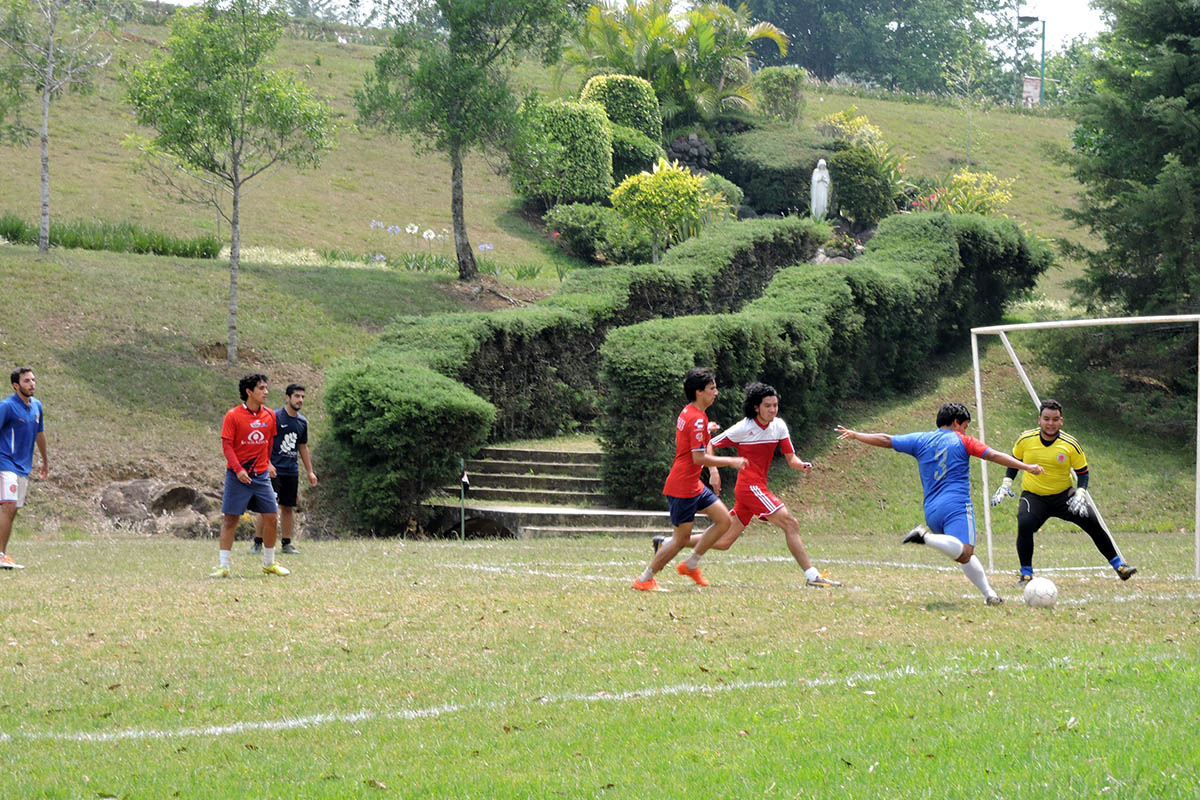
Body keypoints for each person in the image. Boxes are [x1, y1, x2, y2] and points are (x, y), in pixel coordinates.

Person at [835, 402, 1044, 605]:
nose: (964, 431)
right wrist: (1026, 466)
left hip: (932, 509)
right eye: (965, 426)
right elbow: (994, 455)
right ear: (956, 422)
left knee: (963, 555)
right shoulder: (964, 441)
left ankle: (990, 594)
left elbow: (886, 439)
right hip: (956, 505)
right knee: (966, 550)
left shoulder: (920, 439)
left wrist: (856, 435)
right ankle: (925, 538)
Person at [652, 382, 841, 588]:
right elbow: (710, 444)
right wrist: (714, 472)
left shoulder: (779, 426)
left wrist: (802, 465)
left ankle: (669, 544)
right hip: (750, 487)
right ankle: (813, 577)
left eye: (775, 405)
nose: (772, 410)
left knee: (724, 542)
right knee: (790, 523)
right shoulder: (744, 427)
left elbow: (791, 458)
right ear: (756, 407)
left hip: (757, 487)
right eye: (767, 406)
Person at [991, 398, 1137, 584]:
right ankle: (1026, 574)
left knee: (1092, 521)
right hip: (1034, 496)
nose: (1050, 423)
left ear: (1061, 421)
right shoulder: (1025, 439)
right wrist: (1006, 484)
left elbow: (1082, 473)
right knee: (1025, 523)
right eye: (1046, 419)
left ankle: (1120, 567)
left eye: (1055, 419)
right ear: (1039, 419)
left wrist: (1081, 493)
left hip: (1063, 496)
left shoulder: (1070, 444)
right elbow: (1014, 462)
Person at [633, 367, 747, 592]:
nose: (716, 392)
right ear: (698, 392)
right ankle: (644, 579)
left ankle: (691, 564)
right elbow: (698, 458)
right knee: (680, 540)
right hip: (683, 486)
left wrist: (707, 428)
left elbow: (694, 436)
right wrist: (731, 462)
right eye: (711, 388)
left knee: (724, 521)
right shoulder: (696, 420)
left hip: (693, 484)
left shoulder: (691, 413)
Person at [212, 374, 289, 578]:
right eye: (261, 388)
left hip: (261, 476)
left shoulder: (270, 415)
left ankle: (269, 564)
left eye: (266, 388)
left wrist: (268, 463)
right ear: (249, 392)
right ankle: (223, 567)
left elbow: (269, 442)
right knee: (230, 520)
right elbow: (227, 446)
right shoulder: (233, 415)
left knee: (272, 518)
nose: (266, 392)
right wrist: (238, 469)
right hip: (238, 475)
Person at [252, 383, 318, 555]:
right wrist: (267, 463)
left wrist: (309, 471)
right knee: (266, 507)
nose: (300, 400)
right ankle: (257, 543)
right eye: (297, 396)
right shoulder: (273, 417)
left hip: (291, 471)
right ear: (287, 398)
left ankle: (287, 543)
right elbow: (262, 442)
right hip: (273, 471)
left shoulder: (302, 422)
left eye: (302, 397)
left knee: (288, 507)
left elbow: (303, 447)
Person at [0, 367, 49, 570]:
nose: (32, 384)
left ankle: (2, 553)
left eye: (33, 380)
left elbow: (39, 434)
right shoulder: (6, 406)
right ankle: (1, 555)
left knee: (11, 511)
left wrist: (45, 461)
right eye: (27, 381)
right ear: (16, 385)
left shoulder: (37, 406)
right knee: (8, 507)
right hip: (5, 463)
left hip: (23, 467)